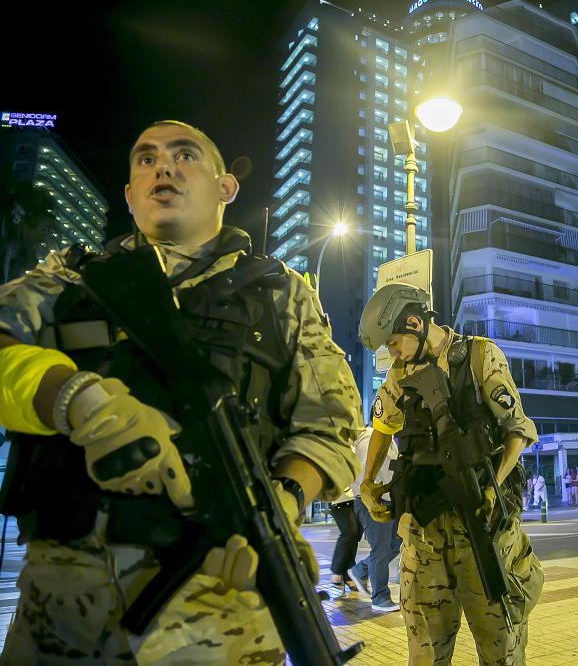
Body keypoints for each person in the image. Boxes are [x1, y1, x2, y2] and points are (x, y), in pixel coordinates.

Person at [0, 120, 363, 665]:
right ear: (129, 196)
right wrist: (72, 397)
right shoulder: (69, 282)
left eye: (184, 155)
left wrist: (283, 500)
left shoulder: (282, 296)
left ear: (225, 187)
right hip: (61, 616)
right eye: (144, 159)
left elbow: (331, 423)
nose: (162, 167)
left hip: (220, 623)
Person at [357, 283, 543, 665]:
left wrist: (494, 488)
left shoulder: (479, 356)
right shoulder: (399, 376)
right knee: (425, 647)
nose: (391, 353)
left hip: (481, 525)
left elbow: (518, 430)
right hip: (424, 532)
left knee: (500, 645)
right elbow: (382, 427)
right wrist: (368, 482)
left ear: (414, 323)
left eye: (393, 343)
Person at [348, 425, 402, 612]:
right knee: (381, 548)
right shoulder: (371, 437)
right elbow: (365, 474)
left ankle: (360, 570)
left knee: (396, 543)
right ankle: (380, 598)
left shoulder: (390, 438)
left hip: (387, 501)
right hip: (371, 501)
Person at [327, 489, 365, 599]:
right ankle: (336, 571)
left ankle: (348, 575)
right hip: (340, 500)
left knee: (356, 535)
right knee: (349, 532)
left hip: (358, 499)